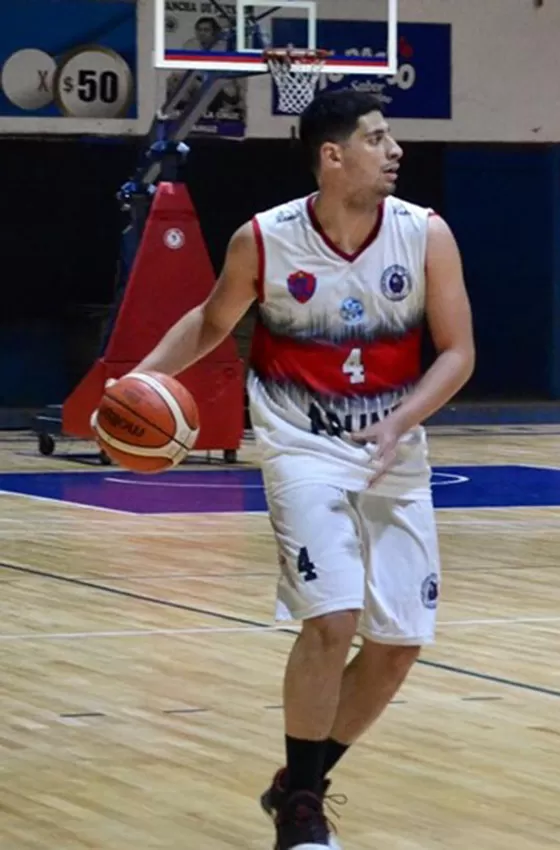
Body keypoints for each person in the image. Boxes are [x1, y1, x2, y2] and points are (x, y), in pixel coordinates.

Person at [121, 89, 475, 849]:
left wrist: (403, 418)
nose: (395, 150)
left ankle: (298, 786)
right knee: (331, 621)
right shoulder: (265, 239)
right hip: (301, 448)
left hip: (393, 454)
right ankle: (306, 815)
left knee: (397, 644)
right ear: (332, 155)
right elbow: (214, 322)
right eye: (378, 138)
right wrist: (139, 381)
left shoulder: (425, 235)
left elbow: (458, 353)